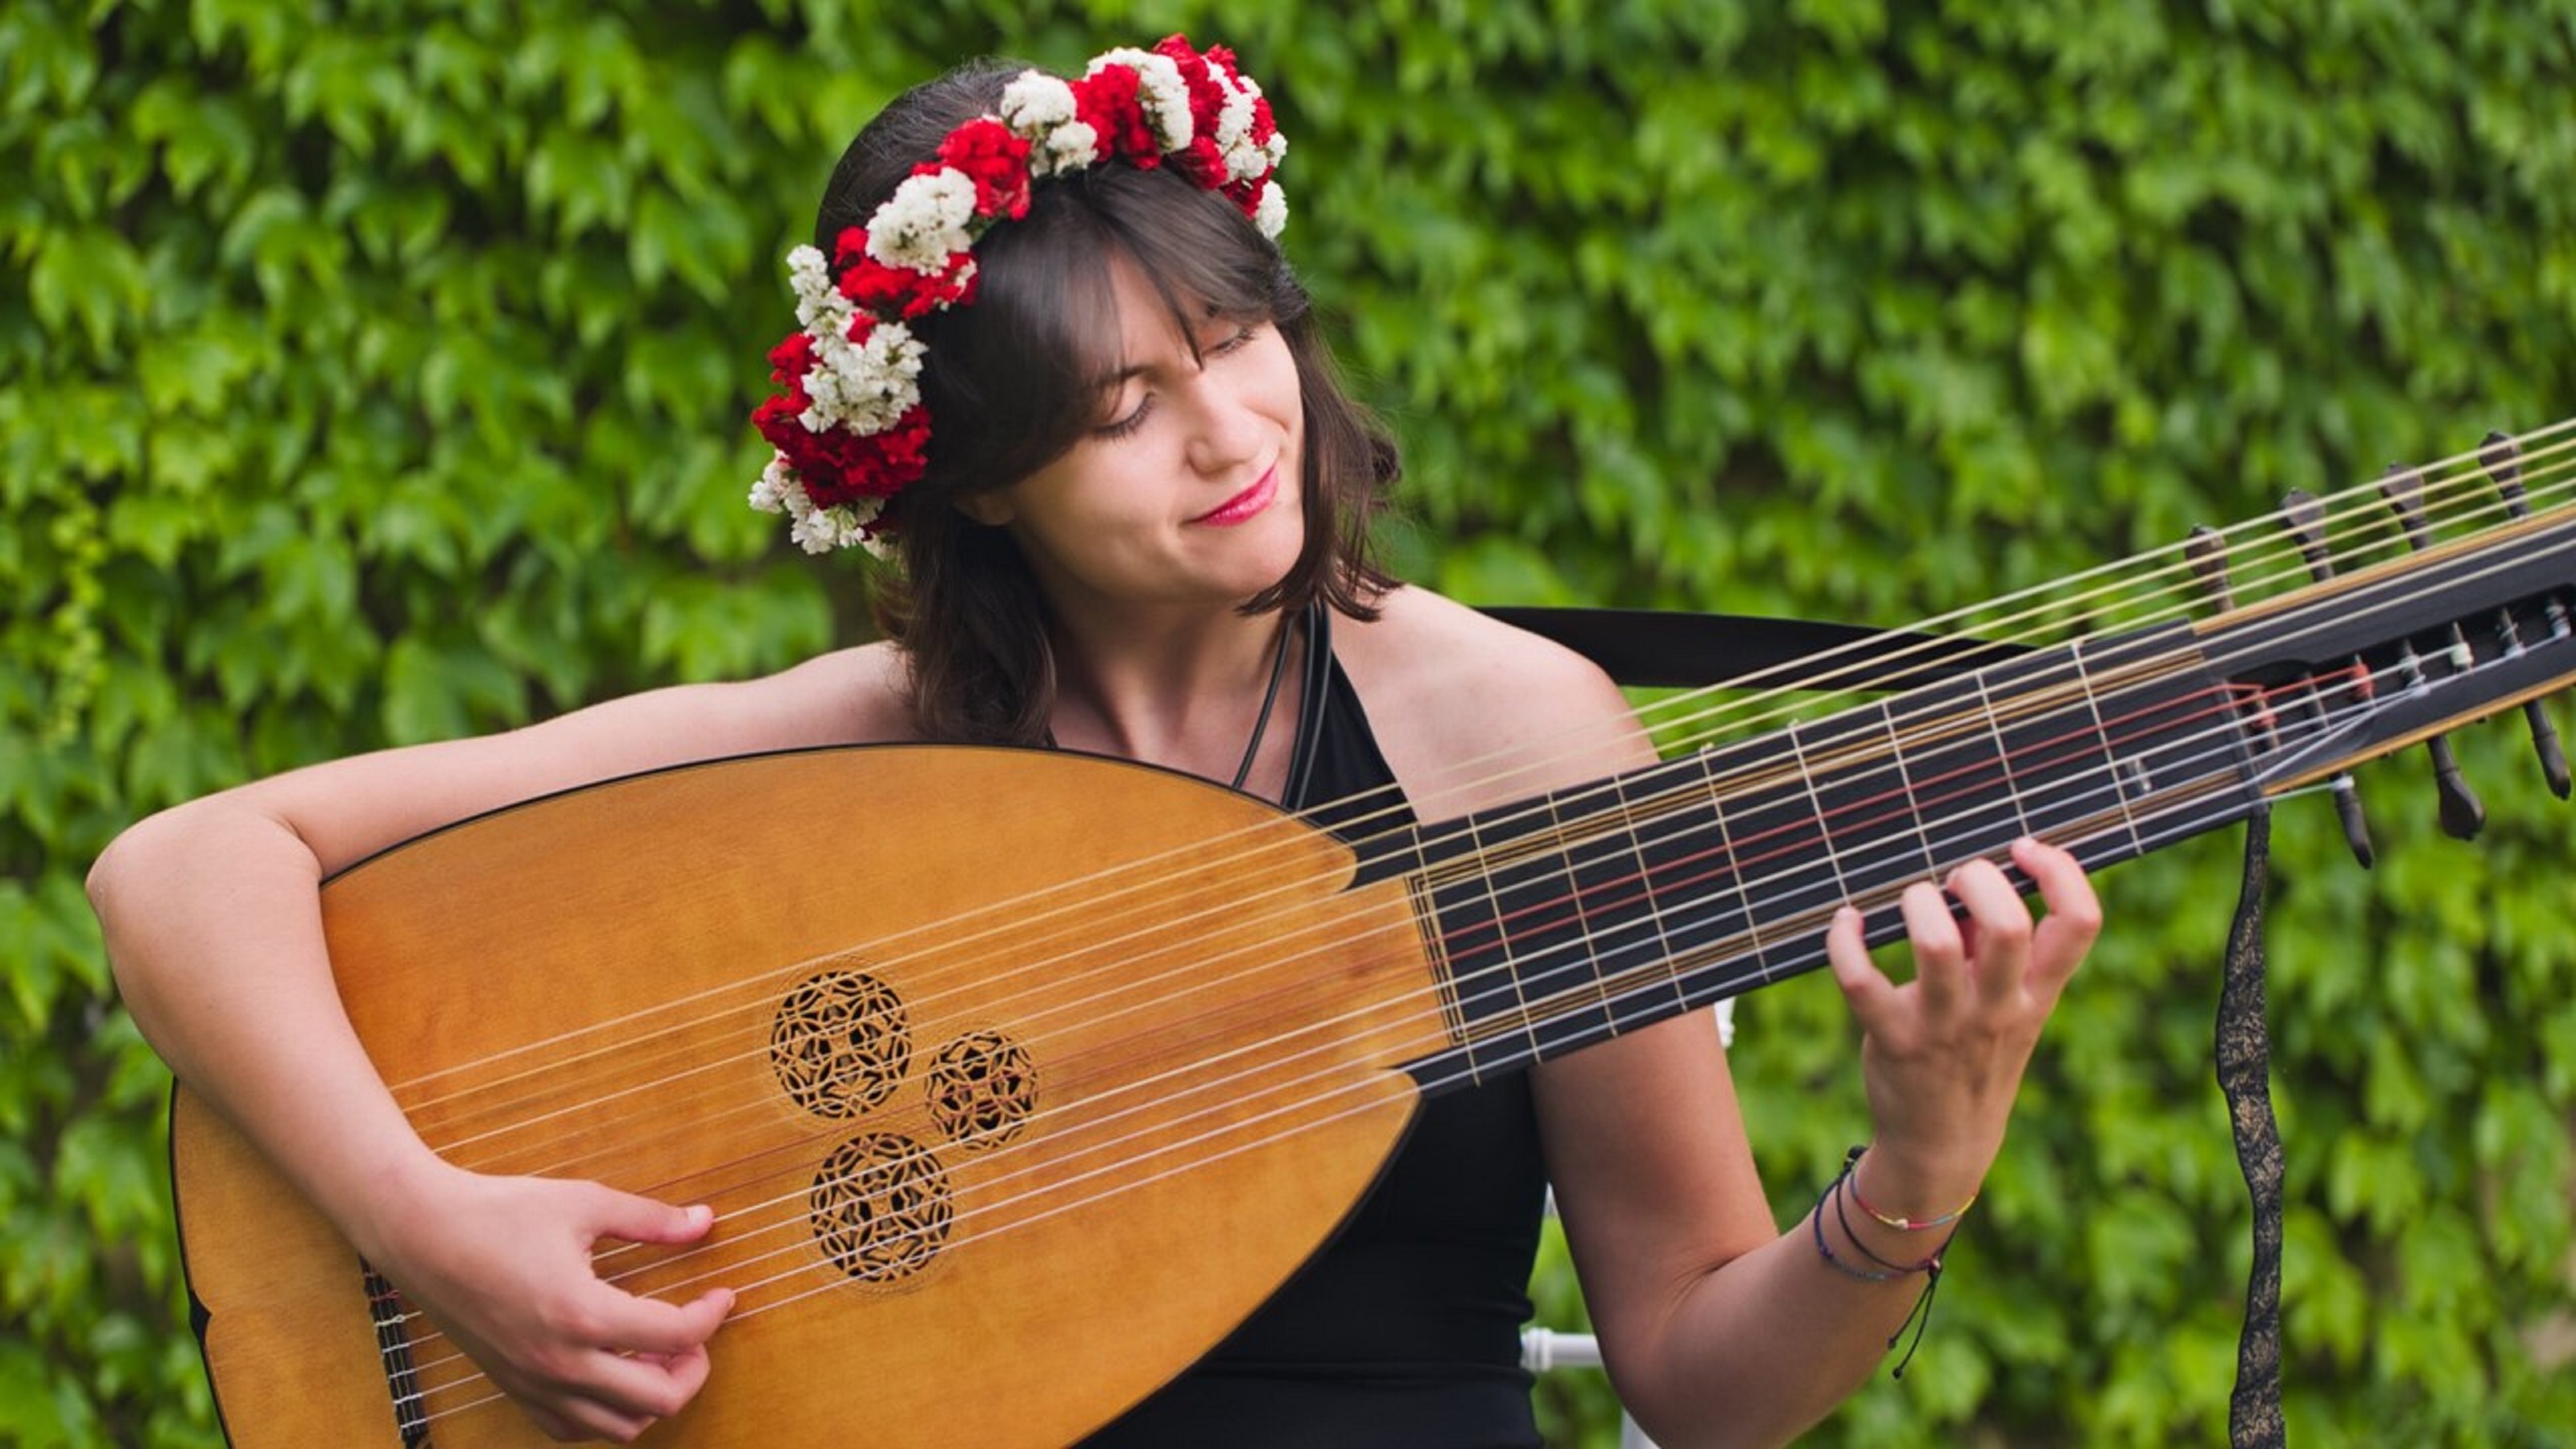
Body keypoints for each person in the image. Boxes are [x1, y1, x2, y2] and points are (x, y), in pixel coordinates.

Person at [87, 36, 2099, 1449]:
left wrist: (1915, 1169)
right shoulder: (863, 752)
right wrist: (426, 1224)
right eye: (1120, 406)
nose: (1232, 432)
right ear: (972, 482)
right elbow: (184, 866)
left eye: (1232, 342)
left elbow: (1695, 1375)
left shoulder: (1507, 732)